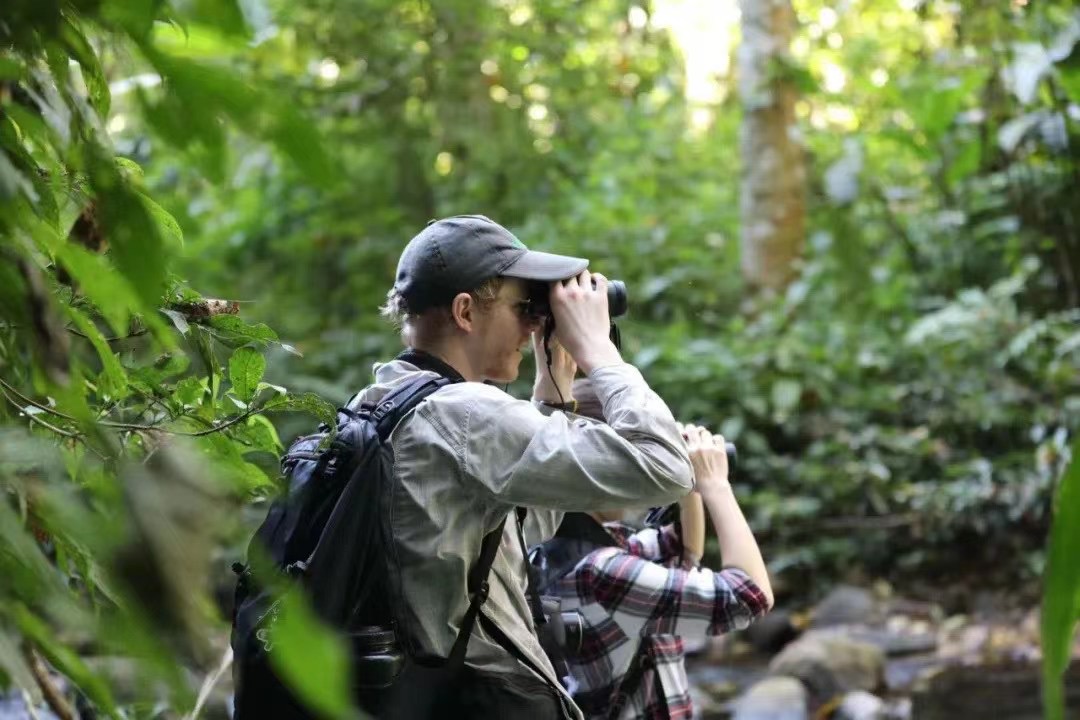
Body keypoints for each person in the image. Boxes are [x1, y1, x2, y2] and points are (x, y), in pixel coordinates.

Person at [367, 214, 695, 719]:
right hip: (477, 698)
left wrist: (555, 394)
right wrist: (599, 351)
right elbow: (667, 465)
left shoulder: (387, 400)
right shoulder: (468, 413)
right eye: (524, 307)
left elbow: (514, 538)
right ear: (465, 312)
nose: (533, 325)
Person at [535, 378, 773, 720]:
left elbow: (680, 549)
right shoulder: (601, 570)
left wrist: (682, 477)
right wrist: (717, 486)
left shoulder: (566, 547)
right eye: (634, 457)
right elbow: (750, 596)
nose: (642, 471)